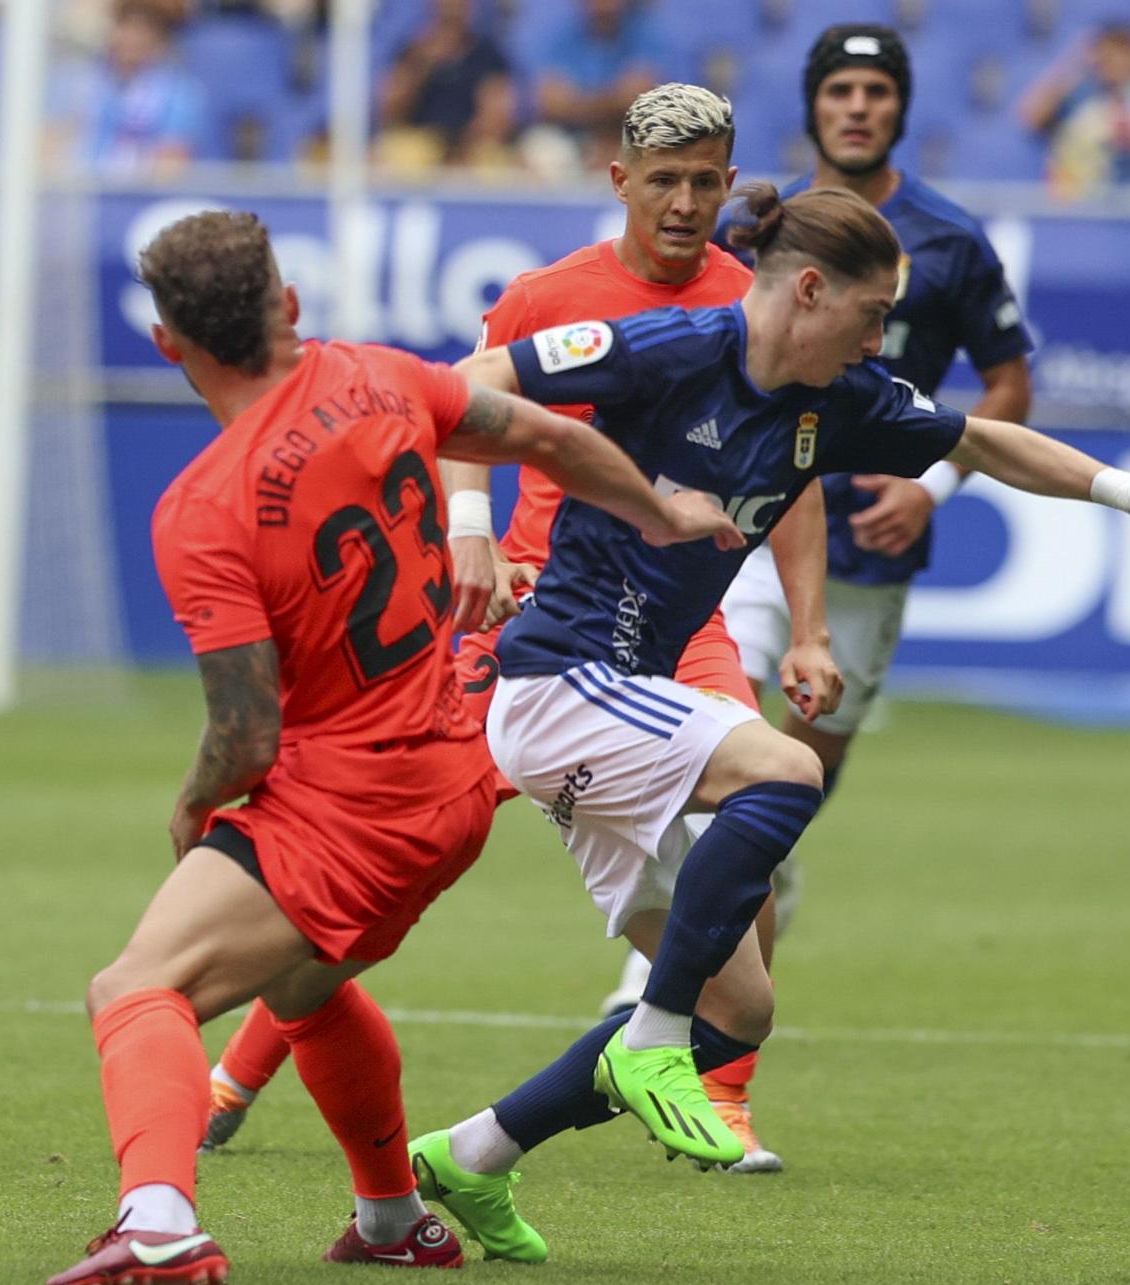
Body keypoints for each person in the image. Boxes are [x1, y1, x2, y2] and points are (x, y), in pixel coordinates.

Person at [402, 182, 1130, 1261]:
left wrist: (1121, 490)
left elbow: (981, 438)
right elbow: (472, 384)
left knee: (738, 1010)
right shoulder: (667, 348)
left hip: (623, 702)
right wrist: (466, 524)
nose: (882, 337)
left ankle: (472, 1154)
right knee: (782, 773)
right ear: (809, 288)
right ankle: (647, 1037)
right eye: (872, 313)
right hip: (557, 683)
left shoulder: (840, 398)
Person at [42, 209, 740, 1285]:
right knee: (304, 990)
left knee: (135, 986)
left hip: (347, 804)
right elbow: (552, 439)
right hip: (452, 775)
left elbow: (246, 729)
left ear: (167, 345)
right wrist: (658, 509)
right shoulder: (382, 377)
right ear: (288, 304)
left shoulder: (203, 509)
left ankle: (158, 1219)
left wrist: (194, 806)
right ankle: (391, 1218)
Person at [195, 84, 826, 1180]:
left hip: (681, 622)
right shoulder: (551, 295)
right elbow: (458, 411)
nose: (682, 201)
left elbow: (797, 477)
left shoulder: (752, 304)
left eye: (702, 180)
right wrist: (473, 530)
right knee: (406, 850)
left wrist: (809, 628)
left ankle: (714, 1087)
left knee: (757, 845)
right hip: (544, 614)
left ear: (727, 182)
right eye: (662, 180)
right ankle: (241, 1070)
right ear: (619, 180)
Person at [599, 24, 1039, 1173]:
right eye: (837, 89)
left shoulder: (947, 239)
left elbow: (1007, 385)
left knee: (795, 799)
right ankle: (667, 1002)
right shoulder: (770, 230)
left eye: (875, 89)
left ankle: (698, 987)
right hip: (749, 532)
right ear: (814, 106)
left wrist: (932, 484)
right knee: (733, 742)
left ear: (899, 106)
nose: (856, 107)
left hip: (871, 554)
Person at [50, 0, 208, 174]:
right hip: (82, 190)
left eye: (143, 30)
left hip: (138, 195)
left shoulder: (179, 93)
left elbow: (171, 163)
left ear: (158, 39)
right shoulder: (85, 83)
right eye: (125, 26)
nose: (131, 38)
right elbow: (55, 143)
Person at [1019, 21, 1130, 191]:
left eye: (1124, 54)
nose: (1117, 62)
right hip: (1078, 199)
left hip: (1126, 201)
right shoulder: (1080, 92)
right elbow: (1031, 117)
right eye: (1110, 55)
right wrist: (1073, 63)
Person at [377, 0, 517, 169]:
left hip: (471, 146)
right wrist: (421, 65)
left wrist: (460, 149)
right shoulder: (415, 51)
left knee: (495, 164)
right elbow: (390, 110)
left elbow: (496, 116)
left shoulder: (487, 55)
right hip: (422, 141)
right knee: (401, 156)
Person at [532, 0, 672, 167]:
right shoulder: (561, 33)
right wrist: (613, 99)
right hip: (573, 139)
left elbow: (638, 98)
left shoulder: (647, 31)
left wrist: (578, 101)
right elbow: (552, 104)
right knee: (541, 148)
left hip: (631, 137)